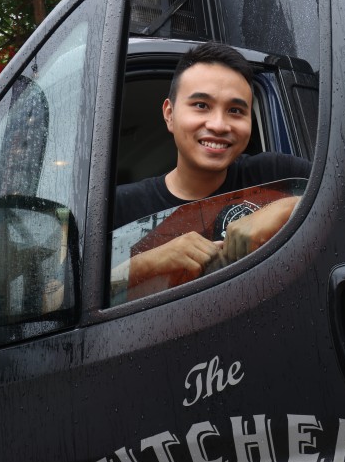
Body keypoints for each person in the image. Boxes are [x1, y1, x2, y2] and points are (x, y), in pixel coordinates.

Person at [112, 42, 310, 298]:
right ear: (169, 114)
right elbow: (56, 297)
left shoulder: (275, 173)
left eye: (235, 111)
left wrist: (287, 208)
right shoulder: (119, 206)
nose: (218, 125)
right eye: (201, 105)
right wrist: (147, 263)